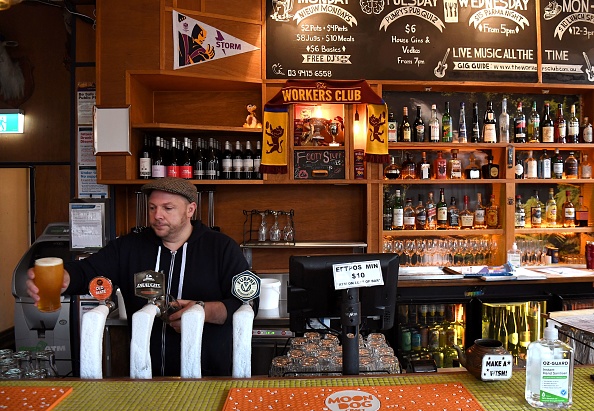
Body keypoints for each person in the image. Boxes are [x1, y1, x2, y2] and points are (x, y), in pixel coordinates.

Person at [26, 177, 255, 377]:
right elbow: (88, 271)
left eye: (168, 208)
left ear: (190, 209)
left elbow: (246, 300)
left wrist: (203, 311)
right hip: (145, 373)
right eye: (153, 208)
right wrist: (64, 278)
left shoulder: (221, 248)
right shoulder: (129, 247)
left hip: (209, 374)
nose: (157, 216)